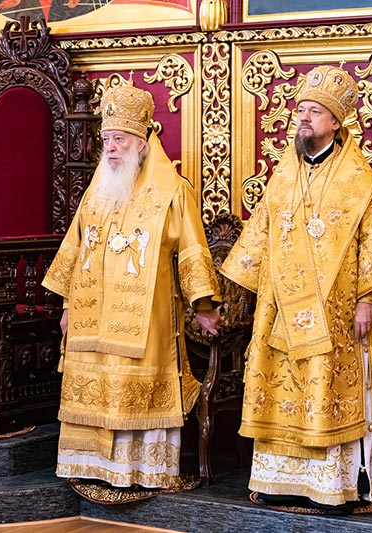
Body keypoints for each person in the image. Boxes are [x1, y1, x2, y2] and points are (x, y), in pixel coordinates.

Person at [221, 64, 372, 513]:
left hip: (338, 312)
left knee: (326, 391)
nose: (303, 118)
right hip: (279, 309)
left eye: (314, 112)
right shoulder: (284, 173)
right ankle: (280, 482)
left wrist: (368, 300)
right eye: (300, 110)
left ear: (335, 122)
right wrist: (234, 293)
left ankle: (332, 485)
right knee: (280, 389)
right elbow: (259, 233)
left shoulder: (358, 179)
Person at [42, 81, 222, 490]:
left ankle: (139, 469)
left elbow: (192, 248)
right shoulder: (97, 192)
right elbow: (76, 249)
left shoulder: (172, 191)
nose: (110, 148)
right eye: (106, 139)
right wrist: (68, 306)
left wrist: (203, 306)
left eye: (119, 139)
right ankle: (93, 466)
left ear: (141, 142)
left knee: (132, 383)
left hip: (148, 317)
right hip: (92, 315)